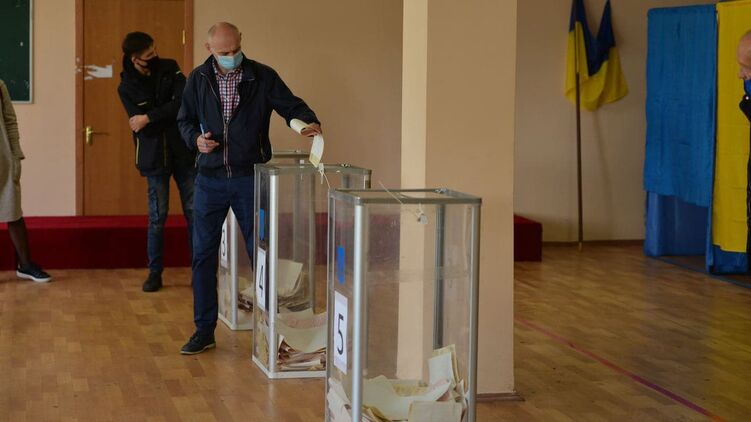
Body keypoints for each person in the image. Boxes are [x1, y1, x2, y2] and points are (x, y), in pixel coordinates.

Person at [177, 22, 321, 355]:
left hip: (250, 179)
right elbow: (184, 121)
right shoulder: (197, 79)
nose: (231, 56)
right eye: (224, 52)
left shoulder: (262, 76)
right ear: (209, 48)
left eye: (235, 49)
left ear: (241, 41)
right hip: (209, 180)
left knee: (262, 254)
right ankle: (204, 330)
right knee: (202, 256)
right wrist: (195, 140)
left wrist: (308, 121)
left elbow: (292, 106)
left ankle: (270, 330)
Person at [118, 32, 196, 292]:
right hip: (153, 157)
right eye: (148, 54)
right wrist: (156, 117)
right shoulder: (126, 86)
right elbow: (137, 124)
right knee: (157, 217)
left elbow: (183, 103)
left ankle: (200, 271)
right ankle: (154, 273)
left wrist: (149, 117)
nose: (155, 56)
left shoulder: (170, 67)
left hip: (184, 152)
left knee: (194, 213)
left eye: (154, 50)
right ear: (135, 59)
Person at [0, 80, 51, 282]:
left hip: (3, 161)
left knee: (13, 212)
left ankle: (26, 265)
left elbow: (10, 121)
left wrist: (16, 155)